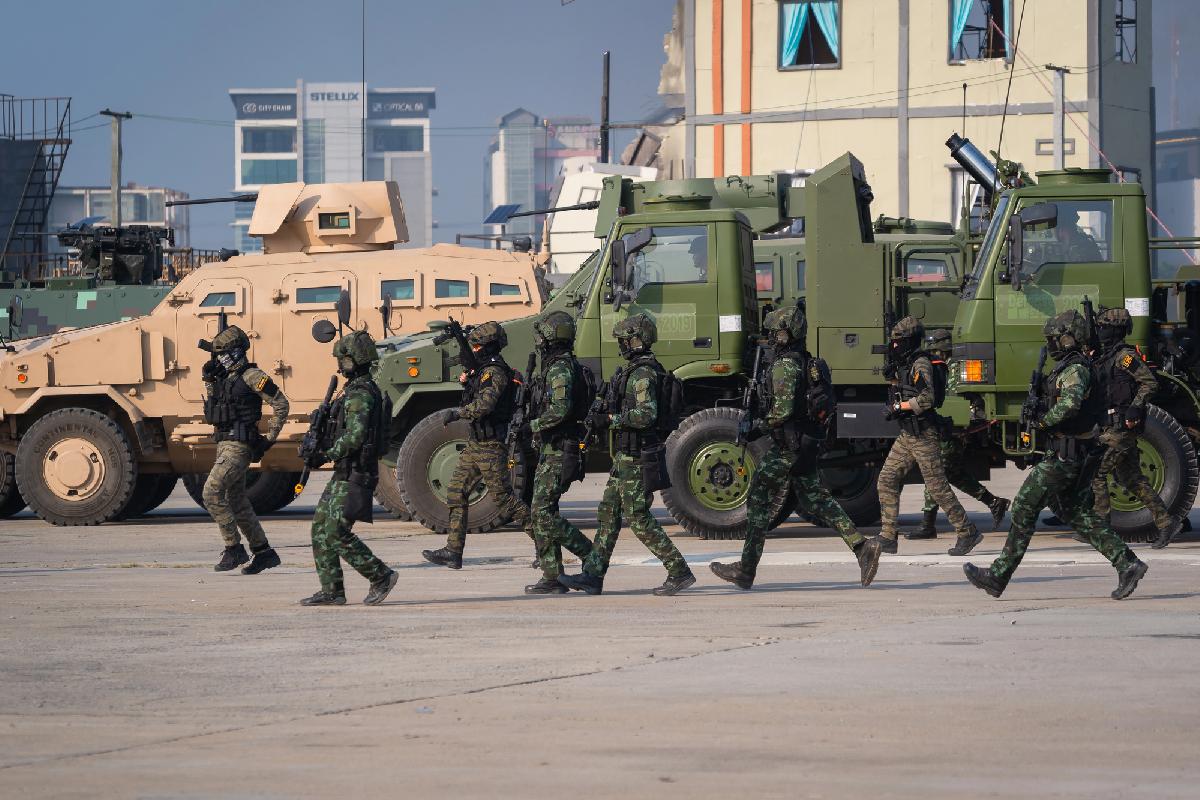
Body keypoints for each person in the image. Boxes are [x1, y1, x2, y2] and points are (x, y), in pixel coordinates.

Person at [964, 310, 1149, 600]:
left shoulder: (1076, 369)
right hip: (1071, 453)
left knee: (1025, 506)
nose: (1050, 344)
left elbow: (1070, 406)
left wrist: (1042, 421)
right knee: (1077, 513)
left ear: (1067, 339)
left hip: (1066, 455)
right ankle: (1128, 564)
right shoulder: (1068, 367)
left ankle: (998, 576)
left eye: (1054, 338)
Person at [709, 306, 882, 590]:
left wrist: (756, 428)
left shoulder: (785, 365)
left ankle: (746, 569)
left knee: (759, 499)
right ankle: (862, 548)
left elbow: (783, 412)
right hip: (803, 443)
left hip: (788, 446)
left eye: (776, 332)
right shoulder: (805, 360)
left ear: (787, 333)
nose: (772, 337)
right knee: (817, 501)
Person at [558, 313, 696, 596]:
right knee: (608, 513)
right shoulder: (632, 371)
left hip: (637, 455)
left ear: (637, 340)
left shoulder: (643, 374)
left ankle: (679, 570)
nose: (621, 344)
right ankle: (593, 575)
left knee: (637, 517)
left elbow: (646, 416)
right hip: (625, 456)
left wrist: (610, 419)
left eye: (624, 339)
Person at [300, 331, 398, 606]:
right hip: (346, 470)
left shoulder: (361, 394)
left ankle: (380, 575)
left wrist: (325, 454)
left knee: (335, 531)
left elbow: (355, 436)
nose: (340, 366)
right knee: (320, 528)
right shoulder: (353, 390)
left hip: (357, 471)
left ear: (357, 360)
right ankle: (332, 590)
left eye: (344, 360)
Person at [423, 321, 531, 570]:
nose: (475, 348)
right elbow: (478, 394)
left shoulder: (494, 372)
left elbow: (485, 406)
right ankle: (453, 550)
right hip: (476, 443)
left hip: (491, 446)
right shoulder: (482, 371)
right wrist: (467, 382)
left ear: (489, 346)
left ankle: (545, 543)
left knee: (505, 501)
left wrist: (458, 413)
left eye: (478, 344)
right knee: (456, 490)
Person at [875, 317, 982, 556]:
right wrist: (892, 379)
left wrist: (898, 408)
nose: (894, 346)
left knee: (937, 488)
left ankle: (967, 532)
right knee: (887, 479)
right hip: (908, 434)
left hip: (923, 433)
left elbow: (927, 399)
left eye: (898, 341)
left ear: (909, 341)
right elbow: (903, 391)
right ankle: (888, 536)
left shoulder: (921, 363)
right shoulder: (908, 363)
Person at [1091, 307, 1182, 549]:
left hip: (1121, 427)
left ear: (1116, 330)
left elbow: (1149, 383)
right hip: (1113, 425)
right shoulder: (1106, 356)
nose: (1101, 332)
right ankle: (1167, 523)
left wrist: (1135, 407)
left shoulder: (1125, 357)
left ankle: (1101, 529)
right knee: (1132, 480)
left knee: (1097, 473)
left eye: (1104, 328)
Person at [201, 325, 289, 574]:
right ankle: (264, 553)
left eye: (225, 353)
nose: (221, 358)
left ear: (238, 352)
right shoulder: (226, 378)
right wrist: (209, 381)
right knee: (236, 500)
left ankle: (234, 549)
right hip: (224, 443)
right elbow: (216, 409)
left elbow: (281, 404)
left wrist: (270, 437)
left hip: (238, 446)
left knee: (211, 493)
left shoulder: (252, 375)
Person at [908, 328, 1009, 541]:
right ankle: (993, 502)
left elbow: (963, 400)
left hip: (953, 430)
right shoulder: (946, 367)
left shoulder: (955, 368)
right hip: (948, 428)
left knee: (934, 473)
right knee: (951, 474)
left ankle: (928, 524)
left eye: (935, 350)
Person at [523, 311, 596, 595]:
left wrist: (533, 425)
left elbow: (560, 409)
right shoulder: (556, 366)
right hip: (552, 447)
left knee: (541, 513)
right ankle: (552, 576)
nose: (539, 341)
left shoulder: (560, 369)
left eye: (542, 336)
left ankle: (590, 553)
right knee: (542, 510)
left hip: (560, 449)